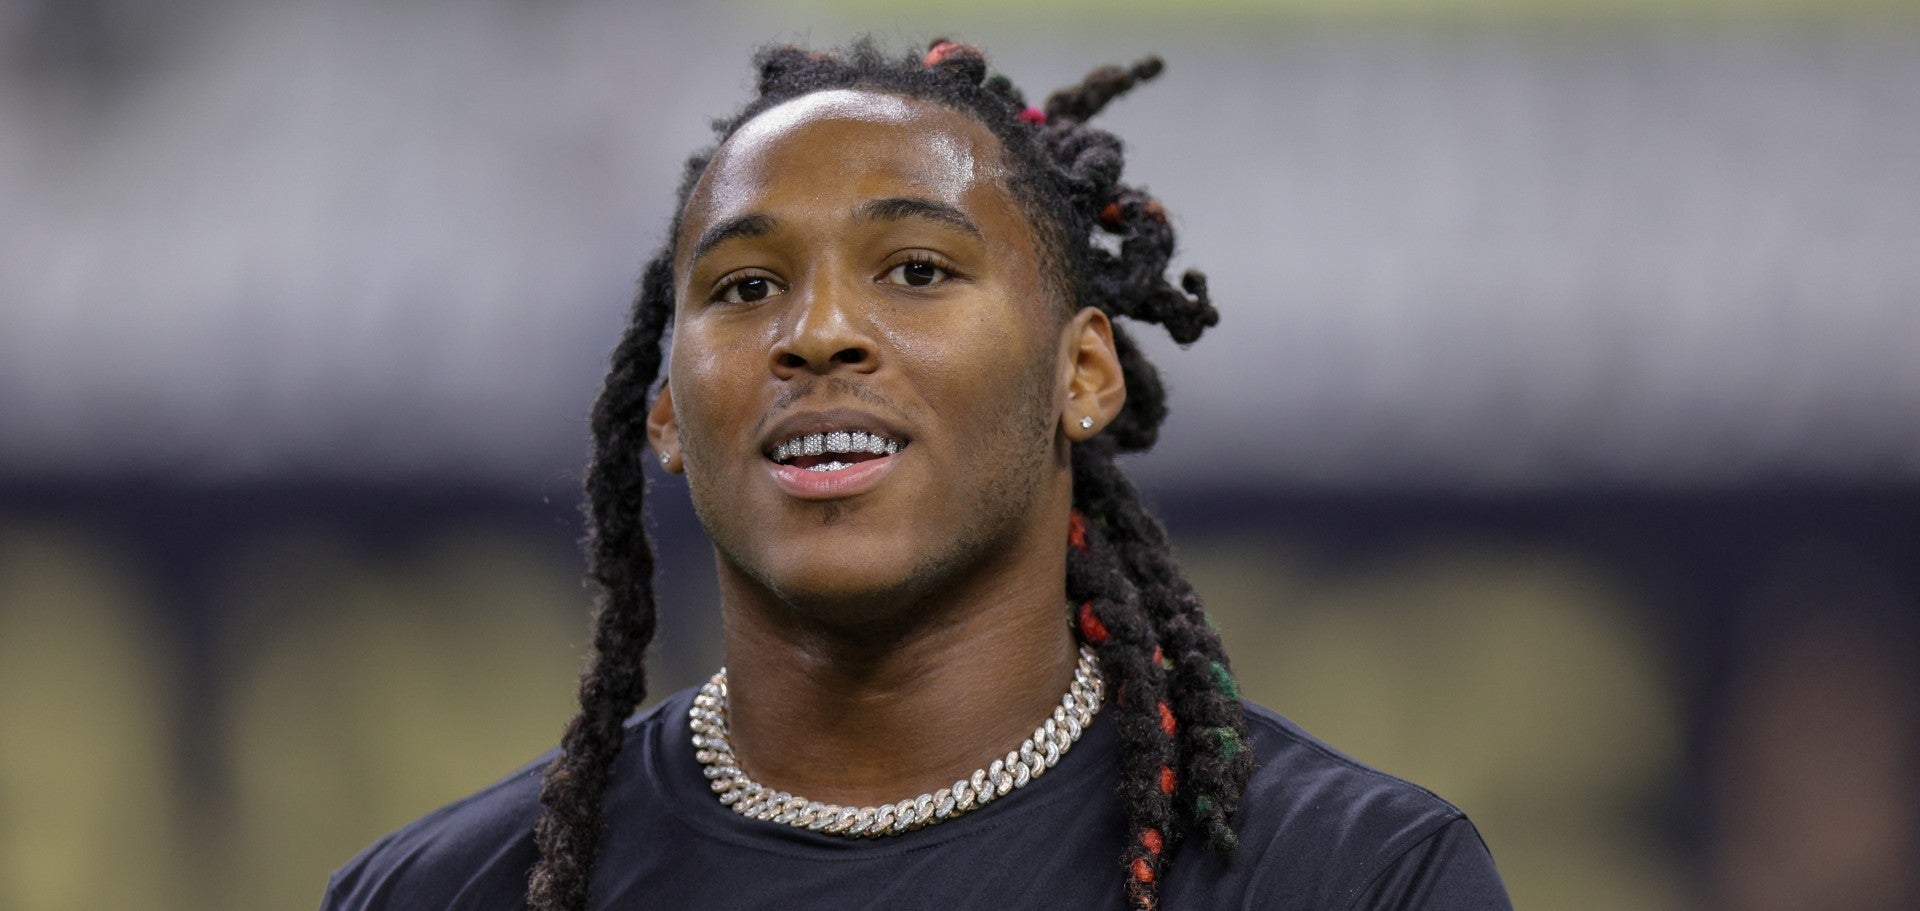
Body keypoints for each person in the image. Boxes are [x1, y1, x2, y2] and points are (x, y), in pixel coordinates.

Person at [321, 39, 1512, 911]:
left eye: (918, 269)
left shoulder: (1356, 878)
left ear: (1082, 373)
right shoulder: (441, 891)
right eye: (745, 288)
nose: (818, 330)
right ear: (669, 415)